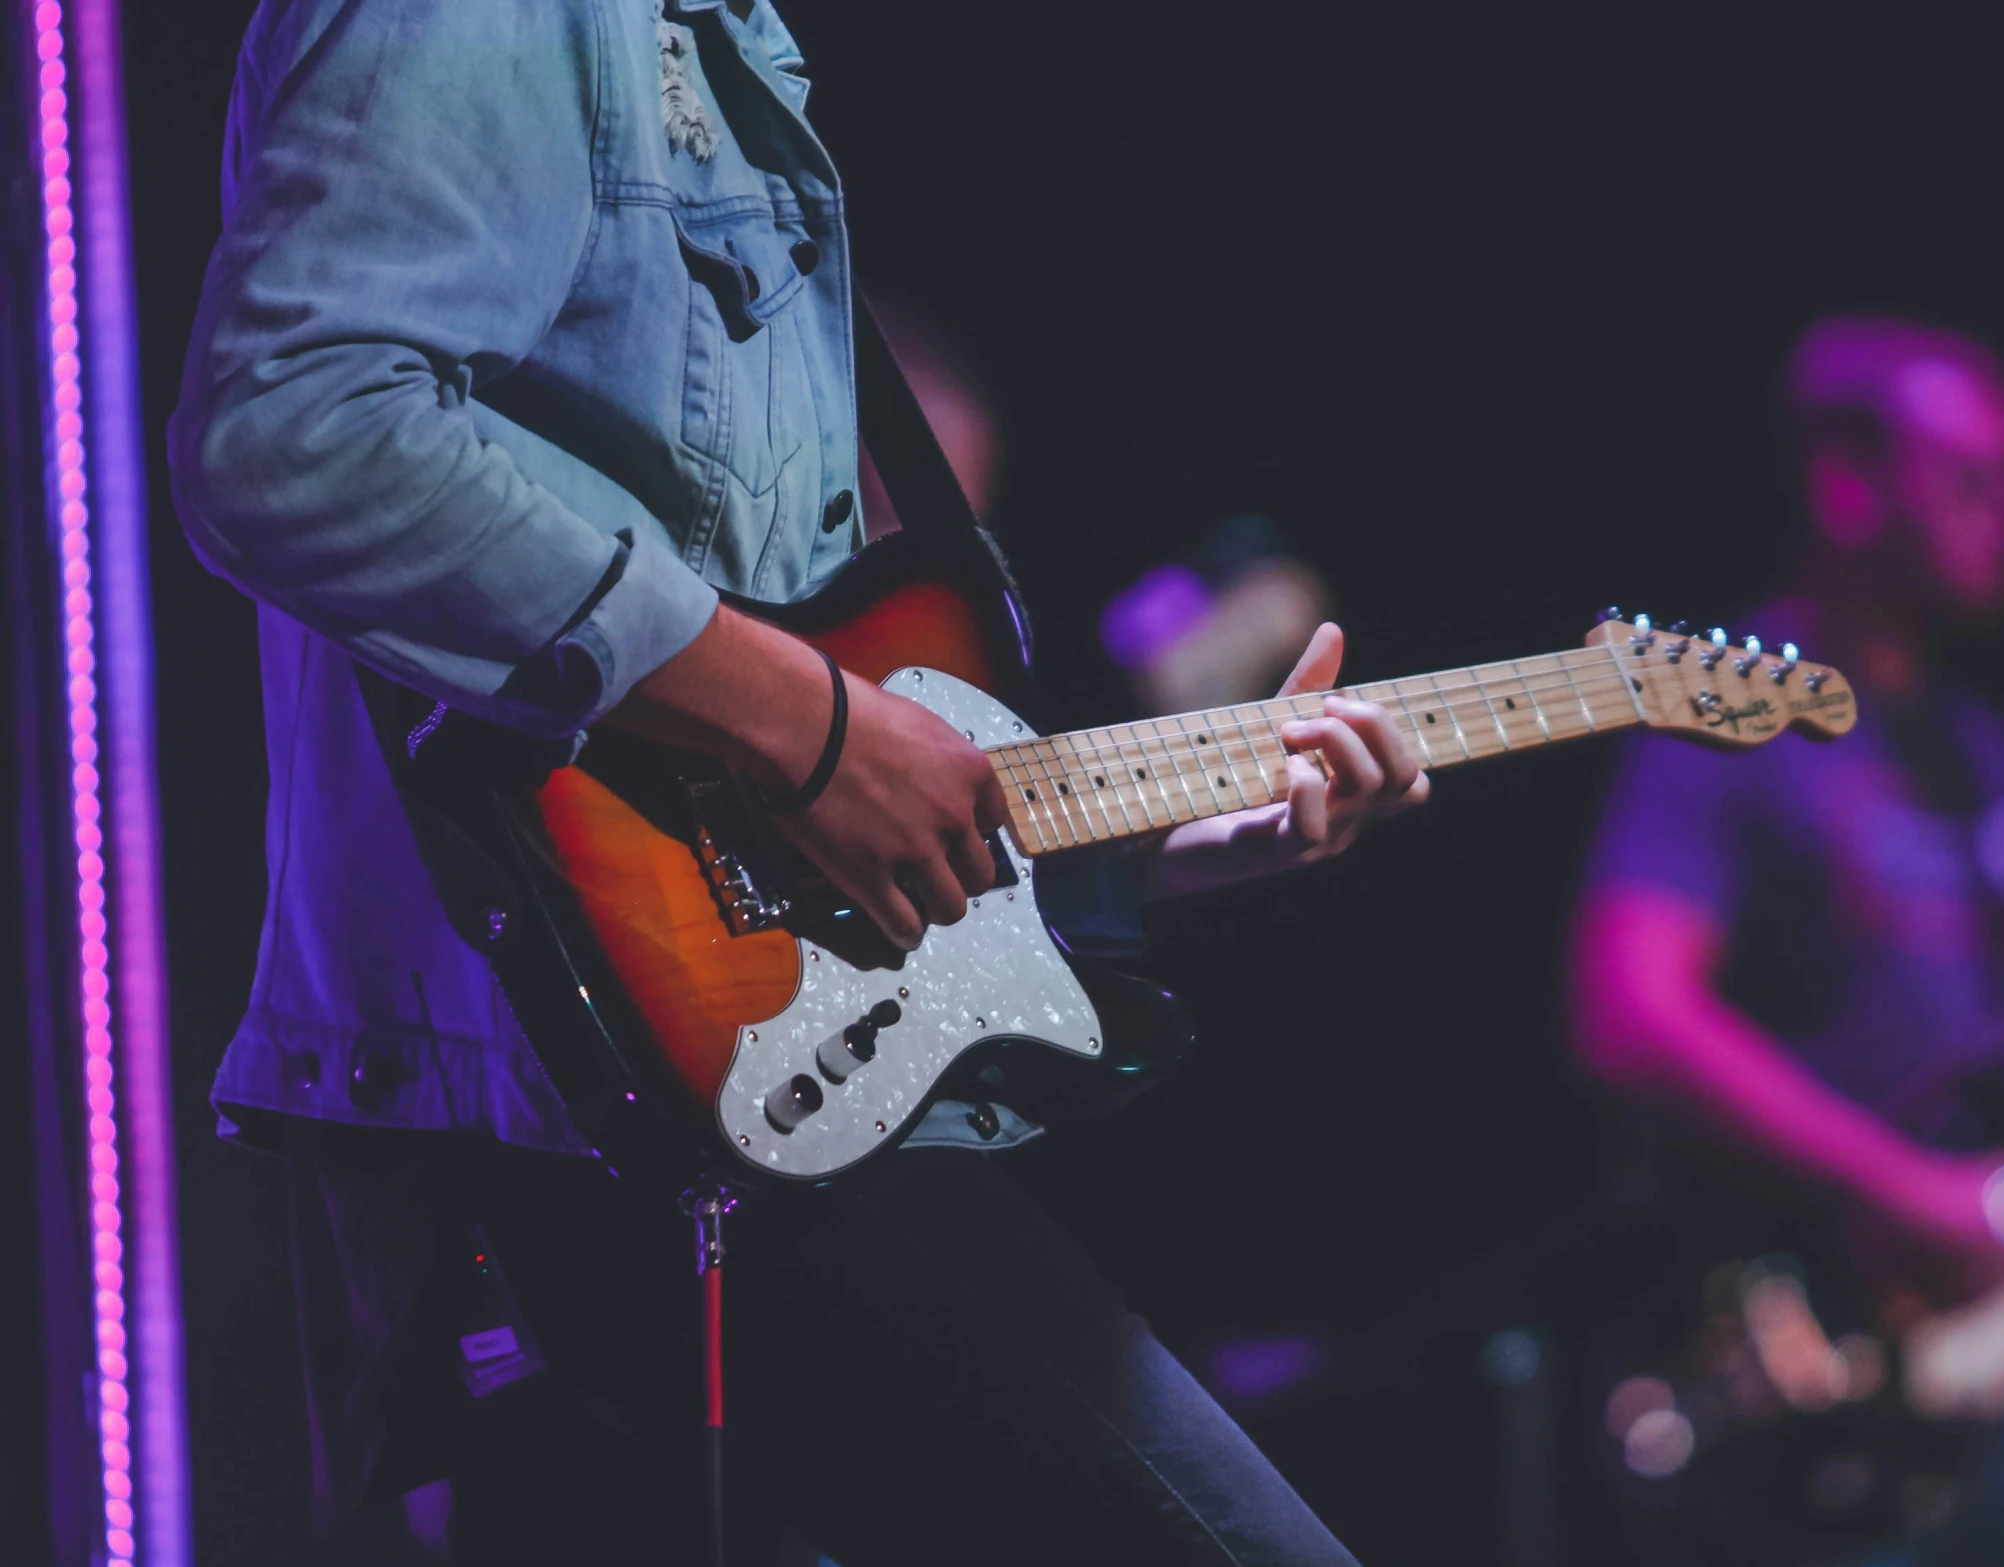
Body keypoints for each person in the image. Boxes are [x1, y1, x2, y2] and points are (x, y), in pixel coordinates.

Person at [166, 3, 1426, 1562]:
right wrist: (816, 726)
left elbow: (765, 805)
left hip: (727, 1075)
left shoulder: (715, 44)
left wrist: (1149, 852)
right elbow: (293, 431)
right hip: (585, 1094)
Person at [1566, 315, 2004, 1566]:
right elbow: (1632, 1013)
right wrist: (1899, 1189)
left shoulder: (1988, 758)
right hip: (1812, 1347)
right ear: (1847, 484)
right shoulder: (1724, 709)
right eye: (1971, 479)